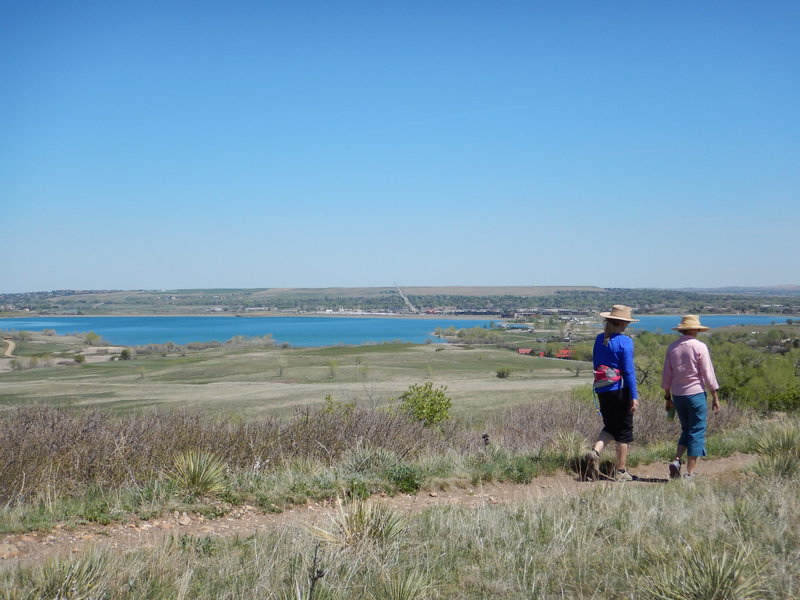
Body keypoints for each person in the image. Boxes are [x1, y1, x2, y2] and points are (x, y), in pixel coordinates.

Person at [662, 315, 720, 479]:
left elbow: (667, 374)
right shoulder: (699, 346)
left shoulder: (673, 347)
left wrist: (668, 397)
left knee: (686, 429)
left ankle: (677, 461)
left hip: (678, 396)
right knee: (697, 431)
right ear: (695, 329)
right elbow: (708, 374)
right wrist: (715, 395)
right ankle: (689, 473)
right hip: (695, 395)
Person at [585, 305, 639, 482]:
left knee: (609, 426)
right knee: (623, 432)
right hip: (620, 390)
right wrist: (634, 396)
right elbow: (629, 371)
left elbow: (596, 365)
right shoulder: (625, 342)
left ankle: (595, 452)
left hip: (602, 389)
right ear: (623, 323)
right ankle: (621, 470)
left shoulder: (600, 339)